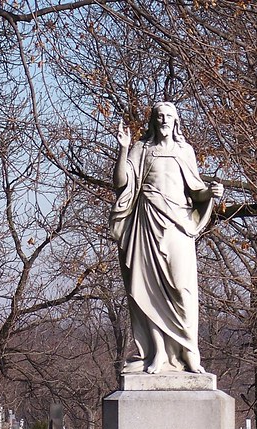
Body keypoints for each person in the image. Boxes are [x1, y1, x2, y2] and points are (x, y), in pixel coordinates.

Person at [109, 102, 223, 374]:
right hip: (147, 220)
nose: (163, 120)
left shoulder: (185, 151)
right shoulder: (141, 149)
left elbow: (196, 191)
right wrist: (123, 149)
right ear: (153, 121)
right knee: (149, 289)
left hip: (178, 224)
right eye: (159, 116)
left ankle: (189, 352)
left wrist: (212, 192)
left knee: (183, 289)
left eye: (168, 116)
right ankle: (158, 352)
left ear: (176, 121)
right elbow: (121, 183)